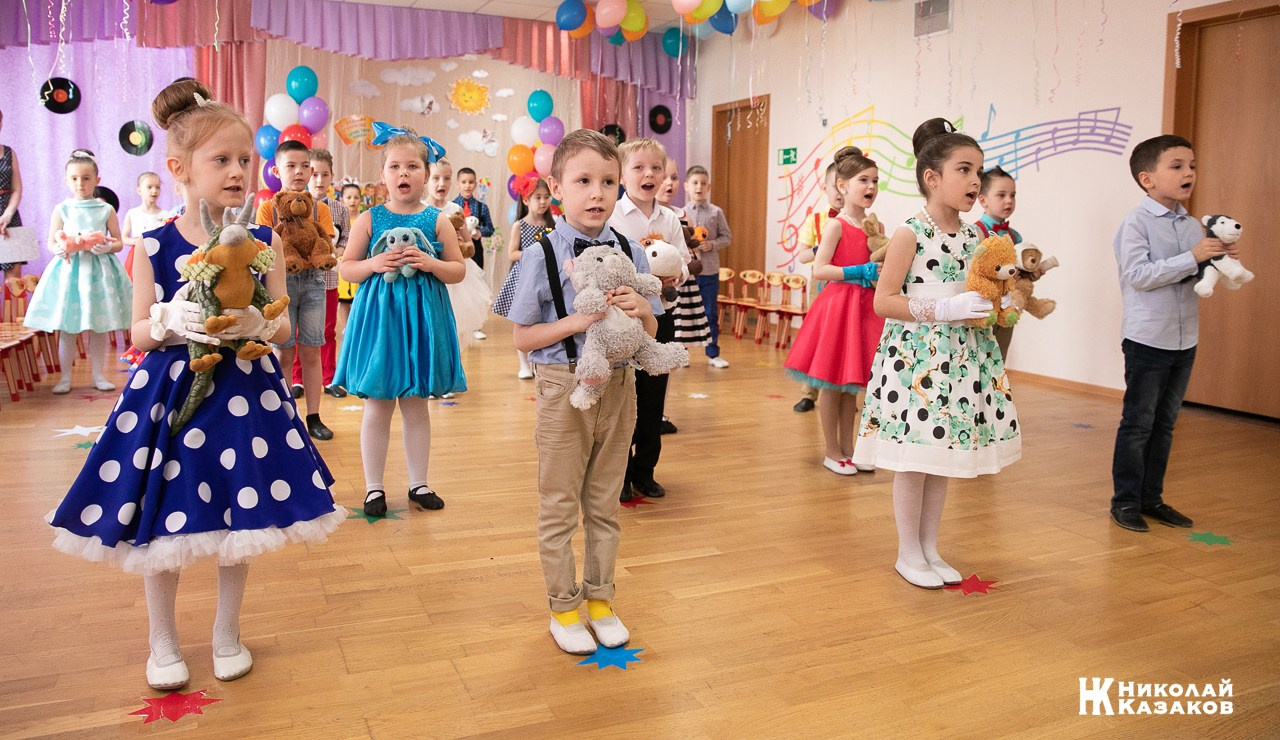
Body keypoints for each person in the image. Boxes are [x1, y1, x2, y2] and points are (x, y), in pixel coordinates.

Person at [44, 79, 344, 690]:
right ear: (180, 168)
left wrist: (267, 320)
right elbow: (138, 330)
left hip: (247, 397)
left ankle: (227, 634)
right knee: (162, 518)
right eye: (222, 160)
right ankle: (162, 641)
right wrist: (168, 319)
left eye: (243, 160)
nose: (238, 171)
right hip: (172, 397)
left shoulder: (265, 241)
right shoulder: (153, 243)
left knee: (243, 515)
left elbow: (283, 322)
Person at [506, 128, 661, 655]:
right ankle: (564, 606)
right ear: (556, 188)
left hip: (620, 387)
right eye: (583, 181)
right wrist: (577, 320)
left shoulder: (629, 250)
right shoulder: (540, 254)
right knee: (558, 504)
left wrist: (643, 314)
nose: (597, 193)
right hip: (561, 388)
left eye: (608, 182)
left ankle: (600, 599)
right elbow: (522, 337)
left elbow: (651, 332)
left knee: (603, 504)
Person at [851, 118, 1021, 589]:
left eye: (978, 172)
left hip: (964, 357)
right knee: (914, 457)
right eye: (964, 170)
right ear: (932, 178)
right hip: (918, 359)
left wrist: (995, 304)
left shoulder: (975, 237)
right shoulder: (910, 232)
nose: (974, 182)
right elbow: (883, 300)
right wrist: (944, 307)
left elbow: (981, 286)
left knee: (941, 454)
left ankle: (929, 547)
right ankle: (908, 551)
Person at [334, 124, 467, 519]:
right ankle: (374, 486)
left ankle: (418, 482)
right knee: (378, 403)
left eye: (412, 166)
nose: (403, 173)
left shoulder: (438, 220)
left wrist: (432, 263)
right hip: (380, 322)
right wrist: (374, 263)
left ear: (427, 174)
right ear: (383, 176)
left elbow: (458, 270)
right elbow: (347, 268)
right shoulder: (370, 219)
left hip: (423, 322)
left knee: (415, 405)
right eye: (395, 166)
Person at [1109, 135, 1233, 533]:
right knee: (1138, 423)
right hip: (1148, 338)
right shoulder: (1135, 223)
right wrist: (1191, 257)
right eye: (1177, 166)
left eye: (1192, 165)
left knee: (1165, 423)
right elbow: (1137, 276)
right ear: (1148, 179)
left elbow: (1197, 273)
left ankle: (1152, 499)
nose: (1189, 173)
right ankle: (1125, 502)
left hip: (1185, 337)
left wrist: (1216, 259)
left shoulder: (1193, 223)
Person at [784, 146, 885, 476]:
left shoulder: (874, 225)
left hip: (864, 308)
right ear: (843, 186)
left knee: (852, 386)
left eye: (875, 180)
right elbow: (820, 269)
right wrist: (859, 271)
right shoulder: (836, 226)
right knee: (832, 382)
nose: (871, 186)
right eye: (863, 180)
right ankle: (831, 450)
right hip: (839, 307)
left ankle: (850, 448)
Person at [609, 138, 689, 501]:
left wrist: (677, 276)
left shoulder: (669, 218)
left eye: (656, 168)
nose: (649, 174)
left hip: (661, 317)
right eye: (639, 167)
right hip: (621, 322)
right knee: (622, 398)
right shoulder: (612, 213)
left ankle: (646, 471)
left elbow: (683, 262)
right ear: (622, 174)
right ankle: (619, 474)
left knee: (653, 398)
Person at [23, 149, 132, 394]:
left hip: (99, 274)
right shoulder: (62, 208)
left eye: (85, 178)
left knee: (99, 326)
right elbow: (52, 242)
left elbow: (118, 241)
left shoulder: (105, 210)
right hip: (70, 273)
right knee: (68, 327)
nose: (80, 183)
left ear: (97, 180)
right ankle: (66, 377)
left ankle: (98, 375)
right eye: (74, 178)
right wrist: (59, 249)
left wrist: (107, 246)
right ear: (66, 180)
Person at [256, 140, 335, 441]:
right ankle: (284, 416)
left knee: (312, 350)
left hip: (314, 285)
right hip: (281, 286)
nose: (299, 172)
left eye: (305, 166)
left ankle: (313, 416)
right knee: (284, 352)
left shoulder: (321, 209)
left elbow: (323, 246)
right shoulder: (267, 209)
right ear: (277, 170)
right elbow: (264, 249)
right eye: (291, 166)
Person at [289, 148, 349, 399]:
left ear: (332, 176)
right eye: (315, 174)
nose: (319, 181)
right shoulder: (293, 206)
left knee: (326, 331)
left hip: (328, 279)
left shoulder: (339, 209)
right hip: (297, 280)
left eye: (325, 175)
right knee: (297, 332)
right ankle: (297, 379)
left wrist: (338, 252)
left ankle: (329, 378)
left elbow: (345, 237)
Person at [492, 175, 555, 379]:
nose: (544, 201)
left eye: (547, 197)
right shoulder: (520, 225)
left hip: (546, 278)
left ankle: (539, 361)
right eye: (538, 197)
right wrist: (534, 256)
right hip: (524, 278)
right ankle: (523, 364)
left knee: (544, 320)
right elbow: (512, 253)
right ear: (526, 200)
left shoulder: (552, 225)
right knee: (523, 320)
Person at [792, 162, 842, 413]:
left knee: (843, 339)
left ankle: (841, 392)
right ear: (826, 187)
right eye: (836, 185)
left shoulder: (864, 221)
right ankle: (809, 393)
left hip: (849, 288)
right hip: (822, 286)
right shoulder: (817, 220)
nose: (841, 191)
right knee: (818, 337)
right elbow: (801, 256)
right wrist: (821, 249)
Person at [427, 158, 491, 350]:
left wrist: (460, 243)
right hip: (430, 271)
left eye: (446, 178)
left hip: (454, 274)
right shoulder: (422, 209)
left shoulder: (455, 209)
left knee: (452, 325)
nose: (441, 183)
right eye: (436, 178)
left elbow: (469, 244)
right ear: (426, 179)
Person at [684, 164, 733, 368]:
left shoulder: (716, 212)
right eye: (695, 183)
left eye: (703, 183)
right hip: (687, 273)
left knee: (710, 312)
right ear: (686, 186)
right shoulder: (680, 213)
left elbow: (727, 237)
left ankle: (712, 353)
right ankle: (682, 354)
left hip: (710, 272)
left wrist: (712, 244)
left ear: (709, 187)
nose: (699, 187)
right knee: (684, 314)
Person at [975, 166, 1022, 359]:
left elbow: (1019, 268)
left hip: (1007, 306)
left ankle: (999, 388)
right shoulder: (976, 233)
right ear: (983, 200)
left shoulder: (1015, 236)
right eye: (1001, 195)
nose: (1009, 200)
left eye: (1012, 195)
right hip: (985, 308)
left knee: (1000, 357)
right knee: (980, 356)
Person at [121, 172, 167, 280]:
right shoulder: (133, 213)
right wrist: (139, 242)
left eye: (157, 187)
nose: (154, 191)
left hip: (158, 255)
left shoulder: (166, 214)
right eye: (149, 187)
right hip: (137, 255)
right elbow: (124, 238)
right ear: (139, 190)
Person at [0, 109, 26, 279]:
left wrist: (7, 215)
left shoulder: (10, 153)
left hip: (10, 218)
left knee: (14, 280)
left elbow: (17, 189)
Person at [453, 166, 494, 271]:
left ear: (475, 185)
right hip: (457, 248)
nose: (467, 186)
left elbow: (490, 228)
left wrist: (480, 233)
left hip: (476, 248)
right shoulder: (452, 206)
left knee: (477, 276)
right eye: (463, 182)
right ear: (457, 184)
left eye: (471, 182)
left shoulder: (482, 207)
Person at [337, 181, 363, 343]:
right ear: (342, 200)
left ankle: (359, 327)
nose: (352, 201)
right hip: (343, 265)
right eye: (349, 197)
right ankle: (347, 328)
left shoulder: (364, 220)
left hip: (361, 264)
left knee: (359, 299)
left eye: (356, 197)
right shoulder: (340, 223)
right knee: (344, 301)